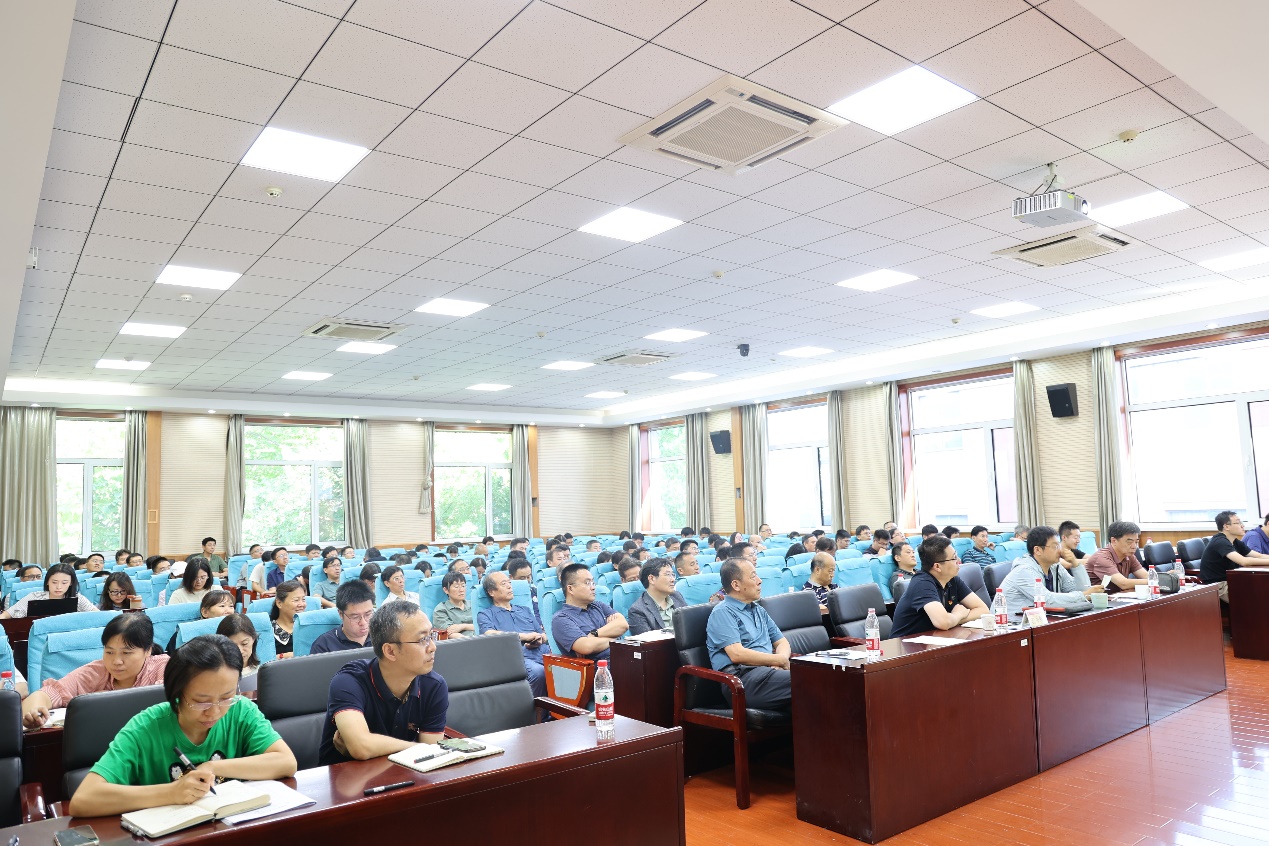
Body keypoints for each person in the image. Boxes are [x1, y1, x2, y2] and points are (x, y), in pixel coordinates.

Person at [67, 634, 297, 818]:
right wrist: (172, 792)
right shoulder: (145, 727)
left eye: (226, 697)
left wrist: (213, 767)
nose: (214, 711)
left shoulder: (241, 710)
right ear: (176, 694)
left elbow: (286, 762)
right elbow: (83, 800)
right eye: (201, 701)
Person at [318, 601, 447, 765]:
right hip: (347, 778)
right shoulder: (348, 682)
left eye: (431, 636)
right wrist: (419, 748)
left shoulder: (434, 686)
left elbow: (431, 759)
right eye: (422, 639)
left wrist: (373, 746)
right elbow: (361, 746)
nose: (433, 647)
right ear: (390, 651)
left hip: (404, 775)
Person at [21, 614, 169, 729]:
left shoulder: (163, 666)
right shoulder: (96, 671)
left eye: (126, 653)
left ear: (148, 651)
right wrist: (32, 714)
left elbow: (166, 705)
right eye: (109, 652)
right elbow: (47, 693)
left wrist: (109, 701)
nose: (116, 661)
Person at [706, 558, 791, 710]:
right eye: (753, 576)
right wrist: (778, 660)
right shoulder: (722, 612)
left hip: (769, 672)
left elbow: (782, 642)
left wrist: (779, 661)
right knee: (810, 680)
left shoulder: (758, 610)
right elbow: (737, 654)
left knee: (820, 680)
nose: (759, 581)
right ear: (736, 585)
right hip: (743, 680)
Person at [890, 536, 989, 638]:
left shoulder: (952, 579)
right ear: (937, 566)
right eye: (954, 558)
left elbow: (983, 610)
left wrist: (953, 619)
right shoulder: (922, 583)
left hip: (937, 639)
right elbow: (943, 623)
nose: (959, 560)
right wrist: (959, 614)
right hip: (907, 644)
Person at [1000, 526, 1102, 616]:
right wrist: (1084, 595)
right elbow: (1047, 600)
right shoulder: (1024, 570)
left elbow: (1082, 589)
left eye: (1059, 545)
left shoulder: (1055, 566)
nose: (1060, 550)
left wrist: (1075, 564)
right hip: (1012, 624)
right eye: (1055, 546)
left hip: (1042, 620)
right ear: (1038, 550)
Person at [477, 571, 549, 696]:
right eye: (503, 584)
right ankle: (539, 709)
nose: (509, 586)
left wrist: (539, 639)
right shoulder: (485, 614)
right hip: (516, 657)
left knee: (569, 666)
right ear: (491, 592)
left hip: (541, 651)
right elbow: (489, 634)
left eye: (509, 583)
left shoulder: (525, 610)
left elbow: (543, 634)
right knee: (538, 672)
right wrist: (524, 637)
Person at [552, 563, 627, 661]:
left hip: (624, 657)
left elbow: (623, 624)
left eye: (593, 582)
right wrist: (616, 638)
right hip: (601, 666)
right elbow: (586, 647)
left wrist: (595, 634)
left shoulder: (599, 606)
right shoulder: (561, 619)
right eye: (587, 583)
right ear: (570, 589)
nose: (593, 587)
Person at [1200, 510, 1269, 601]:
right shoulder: (1220, 541)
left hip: (1232, 580)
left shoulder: (1235, 541)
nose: (1242, 526)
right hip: (1218, 585)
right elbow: (1244, 561)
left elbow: (1259, 556)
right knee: (1260, 596)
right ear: (1226, 526)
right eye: (1238, 523)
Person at [2, 562, 96, 618]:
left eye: (64, 583)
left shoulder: (78, 598)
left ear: (71, 583)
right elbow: (7, 614)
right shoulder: (34, 597)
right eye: (54, 582)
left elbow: (97, 615)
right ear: (47, 582)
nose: (59, 587)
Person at [1085, 520, 1150, 595]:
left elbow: (1146, 576)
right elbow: (1123, 584)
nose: (1134, 546)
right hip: (1099, 600)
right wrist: (1153, 581)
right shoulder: (1102, 558)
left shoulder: (1129, 555)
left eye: (1136, 542)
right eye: (1129, 542)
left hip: (1118, 597)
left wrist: (1154, 580)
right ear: (1114, 541)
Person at [311, 580, 375, 653]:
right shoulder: (323, 646)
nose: (363, 623)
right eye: (355, 617)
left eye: (368, 614)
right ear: (341, 614)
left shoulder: (382, 636)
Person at [627, 559, 687, 636]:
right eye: (667, 574)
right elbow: (647, 641)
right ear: (652, 579)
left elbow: (689, 623)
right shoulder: (638, 611)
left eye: (673, 574)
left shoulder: (676, 596)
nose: (673, 579)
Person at [166, 590, 234, 654]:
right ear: (205, 612)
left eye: (231, 606)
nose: (228, 611)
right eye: (222, 606)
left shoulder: (235, 630)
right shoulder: (185, 632)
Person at [270, 580, 307, 659]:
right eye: (296, 600)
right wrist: (283, 656)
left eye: (303, 599)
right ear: (279, 603)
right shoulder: (268, 630)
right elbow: (261, 660)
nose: (302, 604)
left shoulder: (309, 627)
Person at [432, 572, 473, 638]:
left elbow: (484, 625)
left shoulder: (473, 604)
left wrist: (462, 626)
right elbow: (450, 632)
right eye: (456, 587)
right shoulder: (441, 610)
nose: (461, 590)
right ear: (446, 590)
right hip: (463, 642)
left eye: (463, 586)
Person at [506, 558, 541, 623]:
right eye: (522, 578)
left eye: (528, 577)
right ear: (511, 577)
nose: (526, 581)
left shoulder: (535, 591)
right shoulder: (507, 597)